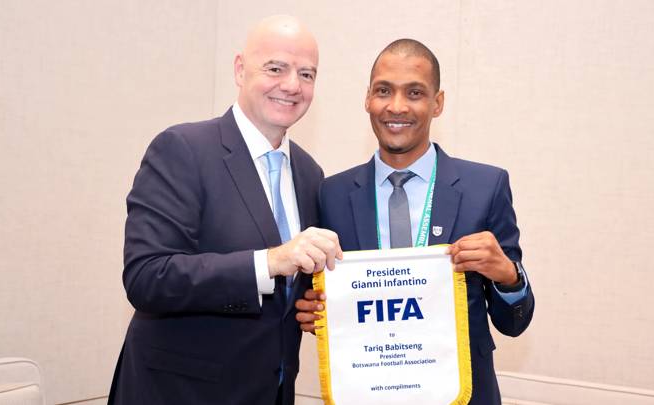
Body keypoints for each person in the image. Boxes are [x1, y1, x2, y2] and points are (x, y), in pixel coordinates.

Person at [108, 15, 342, 405]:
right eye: (275, 68)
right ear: (240, 69)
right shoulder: (183, 149)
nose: (292, 85)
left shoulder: (310, 173)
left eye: (307, 74)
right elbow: (147, 277)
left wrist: (315, 306)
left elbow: (289, 299)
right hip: (178, 394)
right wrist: (269, 262)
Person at [295, 39, 535, 404]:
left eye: (415, 92)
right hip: (367, 394)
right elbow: (322, 302)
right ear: (367, 99)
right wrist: (315, 310)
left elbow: (514, 322)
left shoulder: (485, 188)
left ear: (437, 103)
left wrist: (507, 274)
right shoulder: (331, 194)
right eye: (384, 91)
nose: (396, 106)